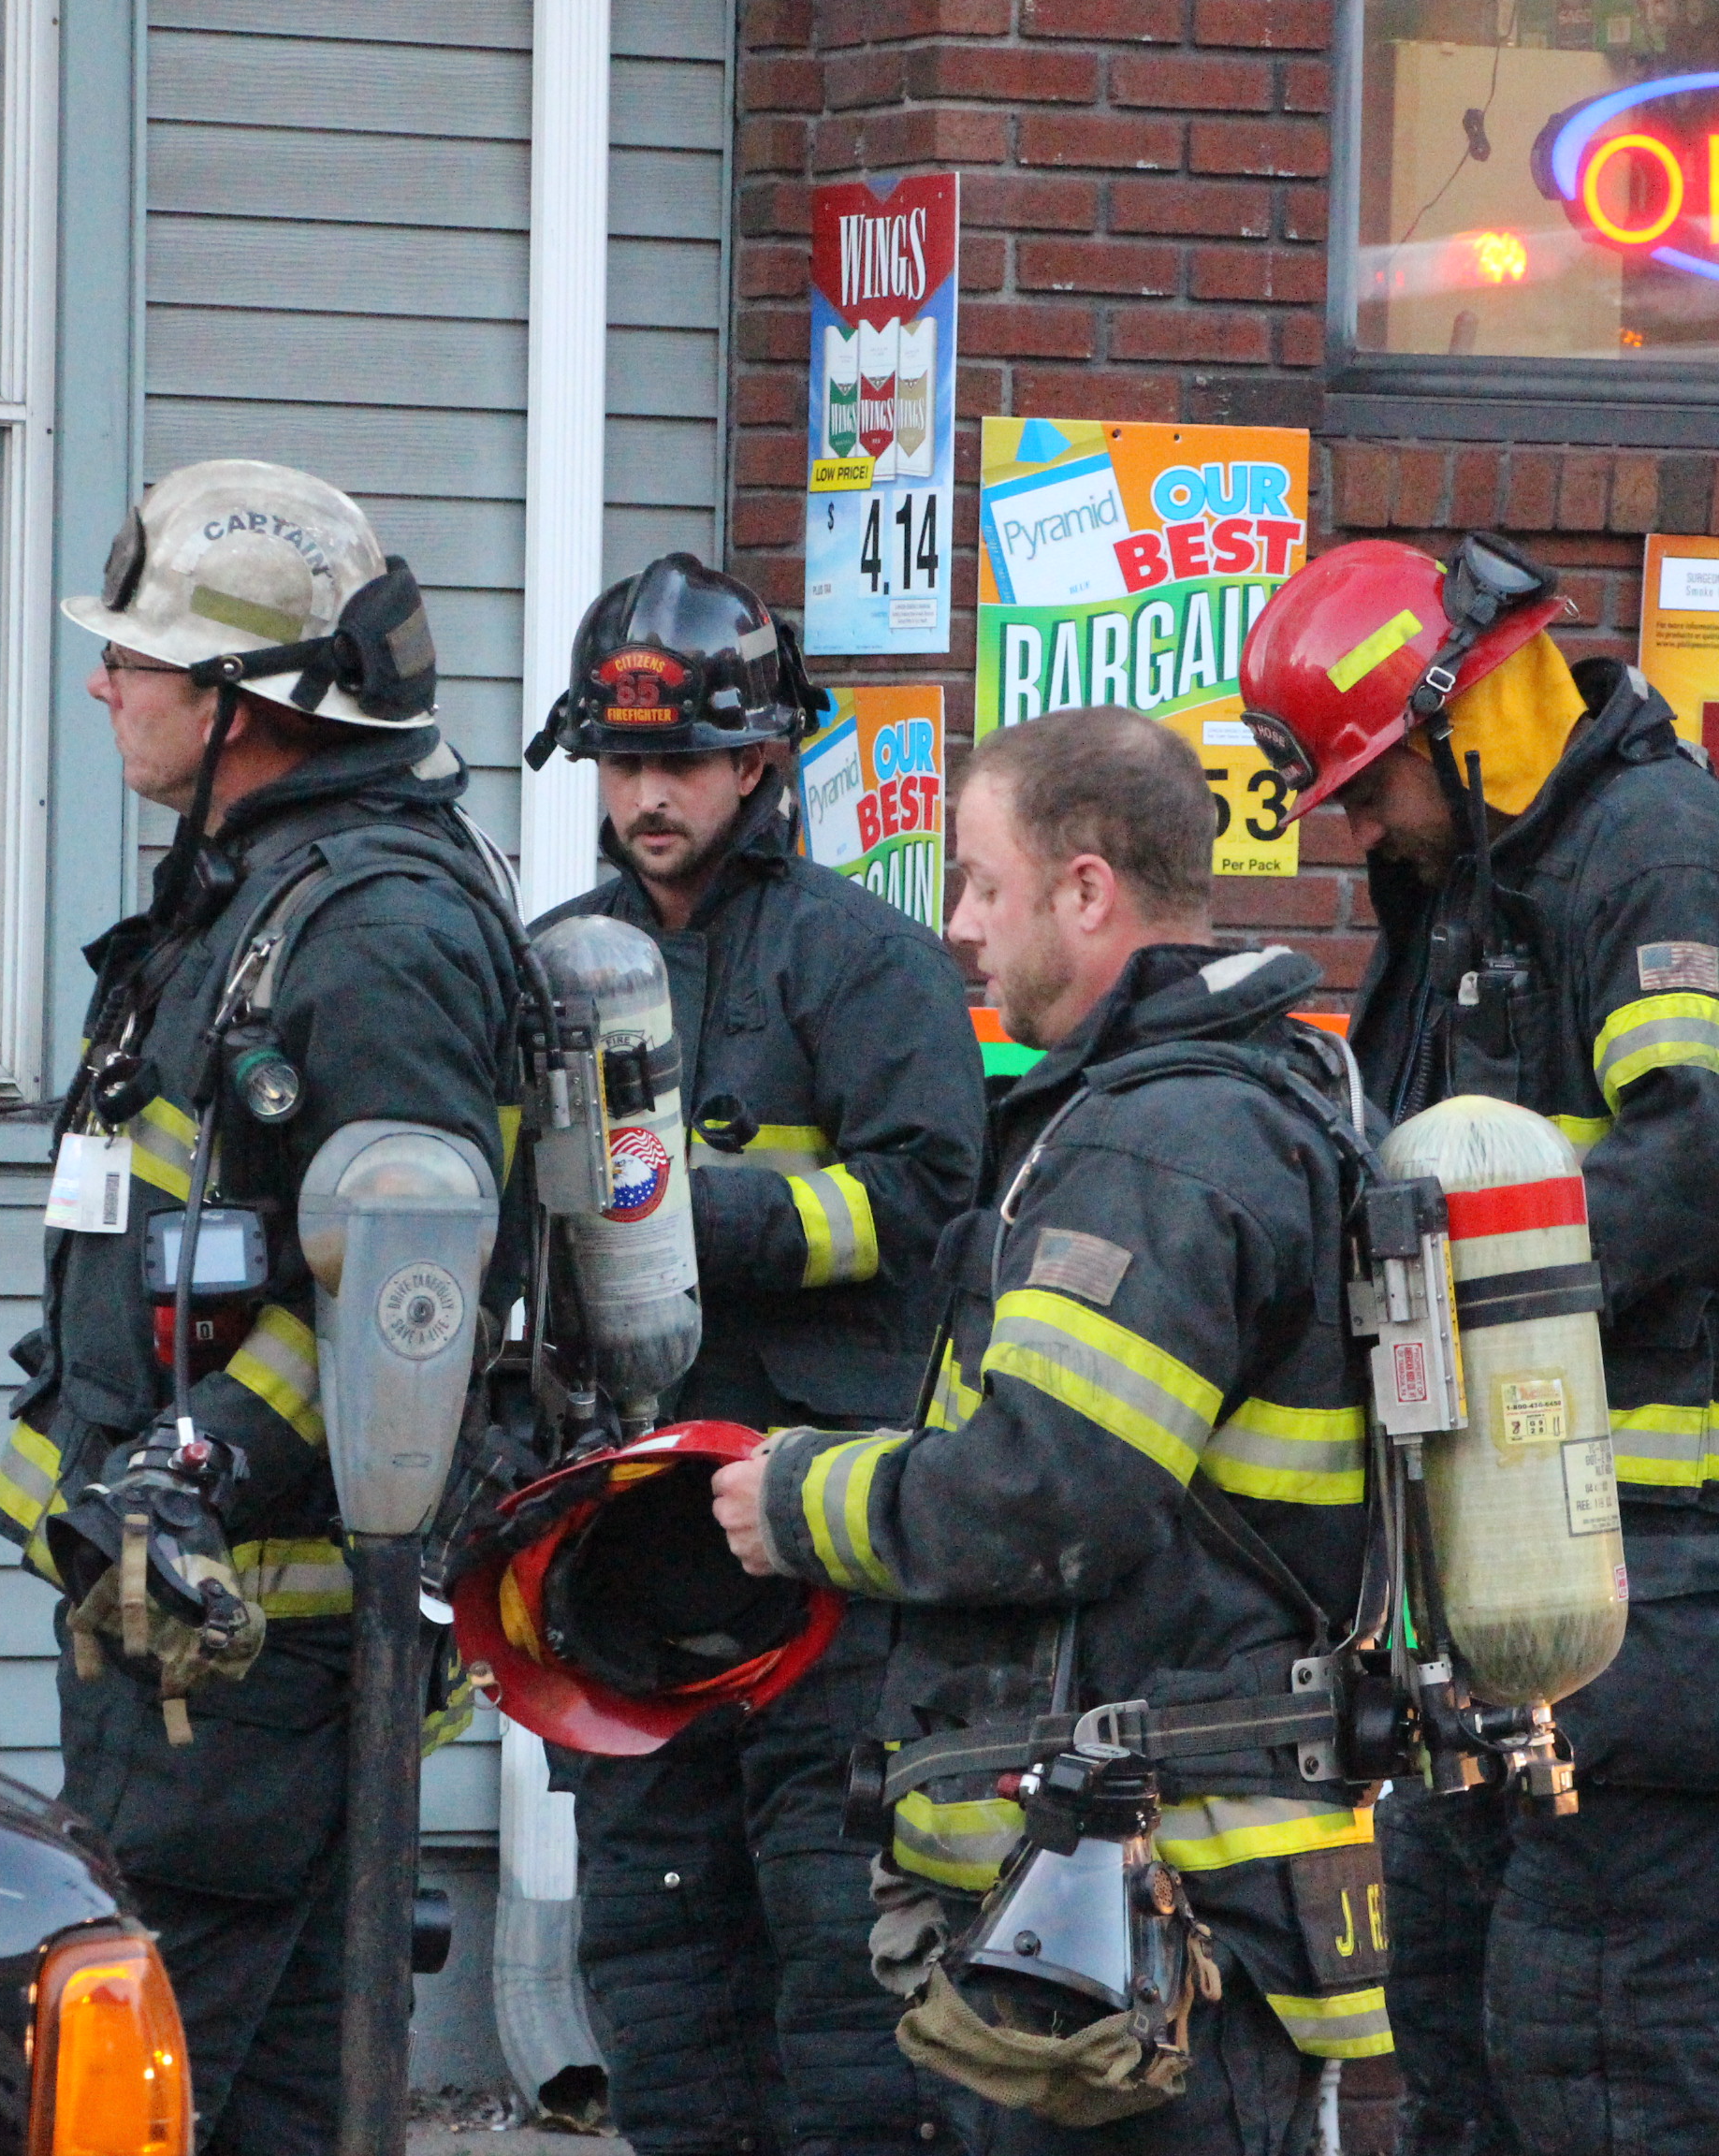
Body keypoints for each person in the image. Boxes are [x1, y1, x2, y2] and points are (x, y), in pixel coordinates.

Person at [711, 706, 1397, 2156]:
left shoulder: (1158, 1149)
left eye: (982, 884)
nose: (959, 927)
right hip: (1130, 1909)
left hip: (1151, 1923)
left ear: (1087, 891)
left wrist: (800, 1500)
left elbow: (1052, 1494)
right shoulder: (1208, 1107)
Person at [1235, 535, 1719, 2156]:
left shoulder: (1663, 861)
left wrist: (1455, 1284)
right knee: (1465, 2046)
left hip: (1670, 1581)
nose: (1358, 829)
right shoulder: (1472, 892)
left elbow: (1714, 1148)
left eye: (1369, 787)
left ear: (1460, 717)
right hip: (1506, 1579)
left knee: (1608, 2071)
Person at [0, 459, 527, 2153]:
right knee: (275, 2104)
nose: (103, 685)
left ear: (248, 700)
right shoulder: (257, 893)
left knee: (139, 2095)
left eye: (134, 657)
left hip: (248, 1662)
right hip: (195, 1650)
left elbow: (411, 1294)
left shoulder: (375, 934)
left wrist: (197, 1461)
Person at [523, 553, 988, 2156]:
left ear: (761, 761)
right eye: (623, 762)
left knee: (843, 1991)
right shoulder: (554, 967)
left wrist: (685, 1220)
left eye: (684, 762)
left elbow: (928, 1205)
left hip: (820, 1564)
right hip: (625, 1567)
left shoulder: (866, 965)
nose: (647, 796)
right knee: (660, 1983)